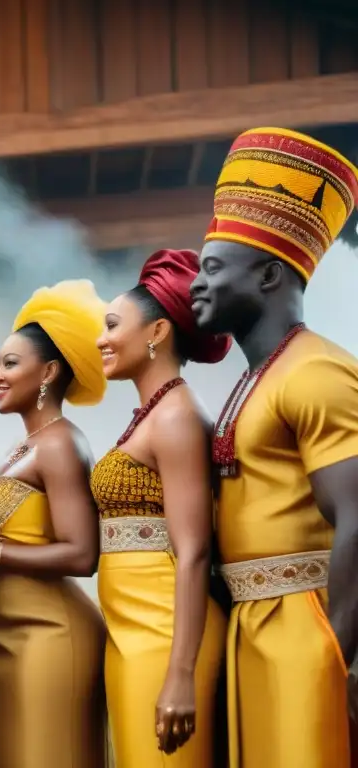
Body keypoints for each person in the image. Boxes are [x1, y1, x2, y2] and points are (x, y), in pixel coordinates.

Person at [190, 127, 358, 768]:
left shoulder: (318, 372)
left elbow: (356, 519)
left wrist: (335, 654)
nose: (196, 286)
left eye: (210, 268)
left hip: (307, 626)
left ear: (267, 273)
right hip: (253, 625)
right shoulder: (257, 376)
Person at [0, 280, 109, 768]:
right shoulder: (22, 446)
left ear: (50, 371)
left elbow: (82, 554)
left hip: (48, 637)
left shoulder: (60, 444)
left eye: (9, 364)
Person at [91, 248, 230, 767]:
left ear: (156, 333)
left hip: (166, 631)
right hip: (133, 626)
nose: (101, 339)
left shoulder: (175, 418)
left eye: (111, 324)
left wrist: (182, 673)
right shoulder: (154, 413)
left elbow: (194, 551)